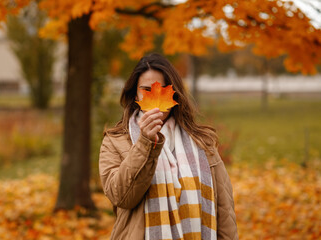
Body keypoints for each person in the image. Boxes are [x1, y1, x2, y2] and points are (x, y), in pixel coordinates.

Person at [99, 53, 238, 240]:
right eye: (146, 90)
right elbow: (121, 197)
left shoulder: (202, 142)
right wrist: (145, 144)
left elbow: (224, 210)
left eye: (163, 89)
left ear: (174, 94)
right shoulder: (115, 141)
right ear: (135, 94)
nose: (155, 96)